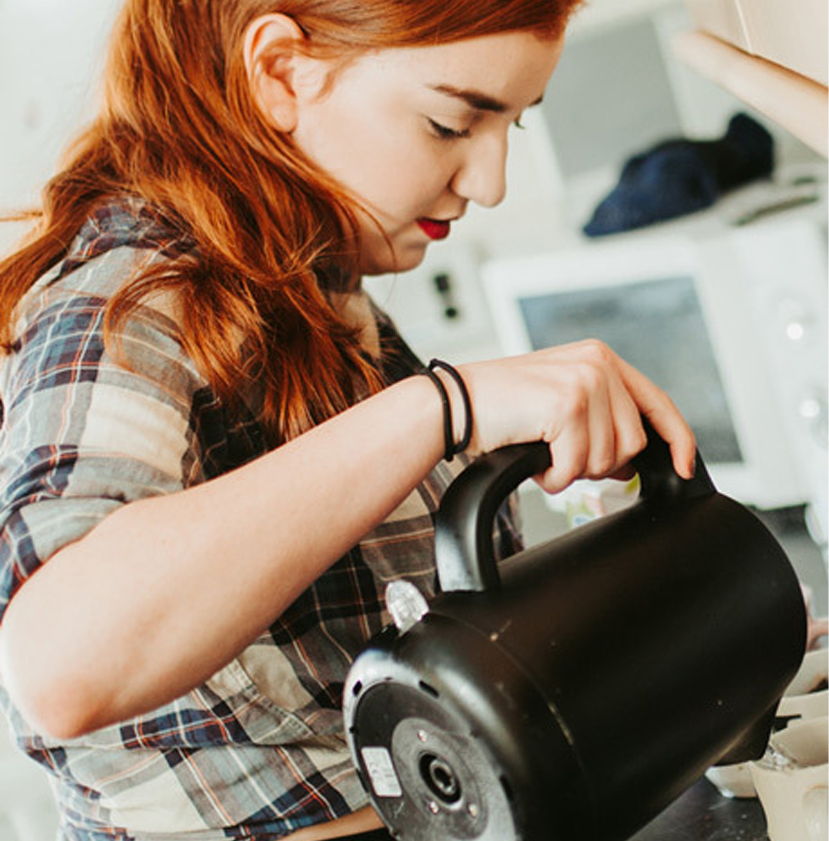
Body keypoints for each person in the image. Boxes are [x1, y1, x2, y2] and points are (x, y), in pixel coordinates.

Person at [0, 1, 697, 839]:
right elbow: (59, 666)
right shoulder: (129, 294)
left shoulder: (323, 292)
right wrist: (444, 408)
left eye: (511, 124)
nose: (490, 181)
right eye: (450, 123)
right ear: (281, 72)